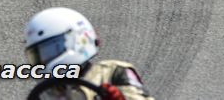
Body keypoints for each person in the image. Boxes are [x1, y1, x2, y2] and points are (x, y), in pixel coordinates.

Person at [24, 7, 154, 100]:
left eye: (49, 51)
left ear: (76, 40)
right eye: (38, 56)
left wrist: (120, 97)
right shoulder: (44, 94)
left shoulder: (114, 72)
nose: (44, 59)